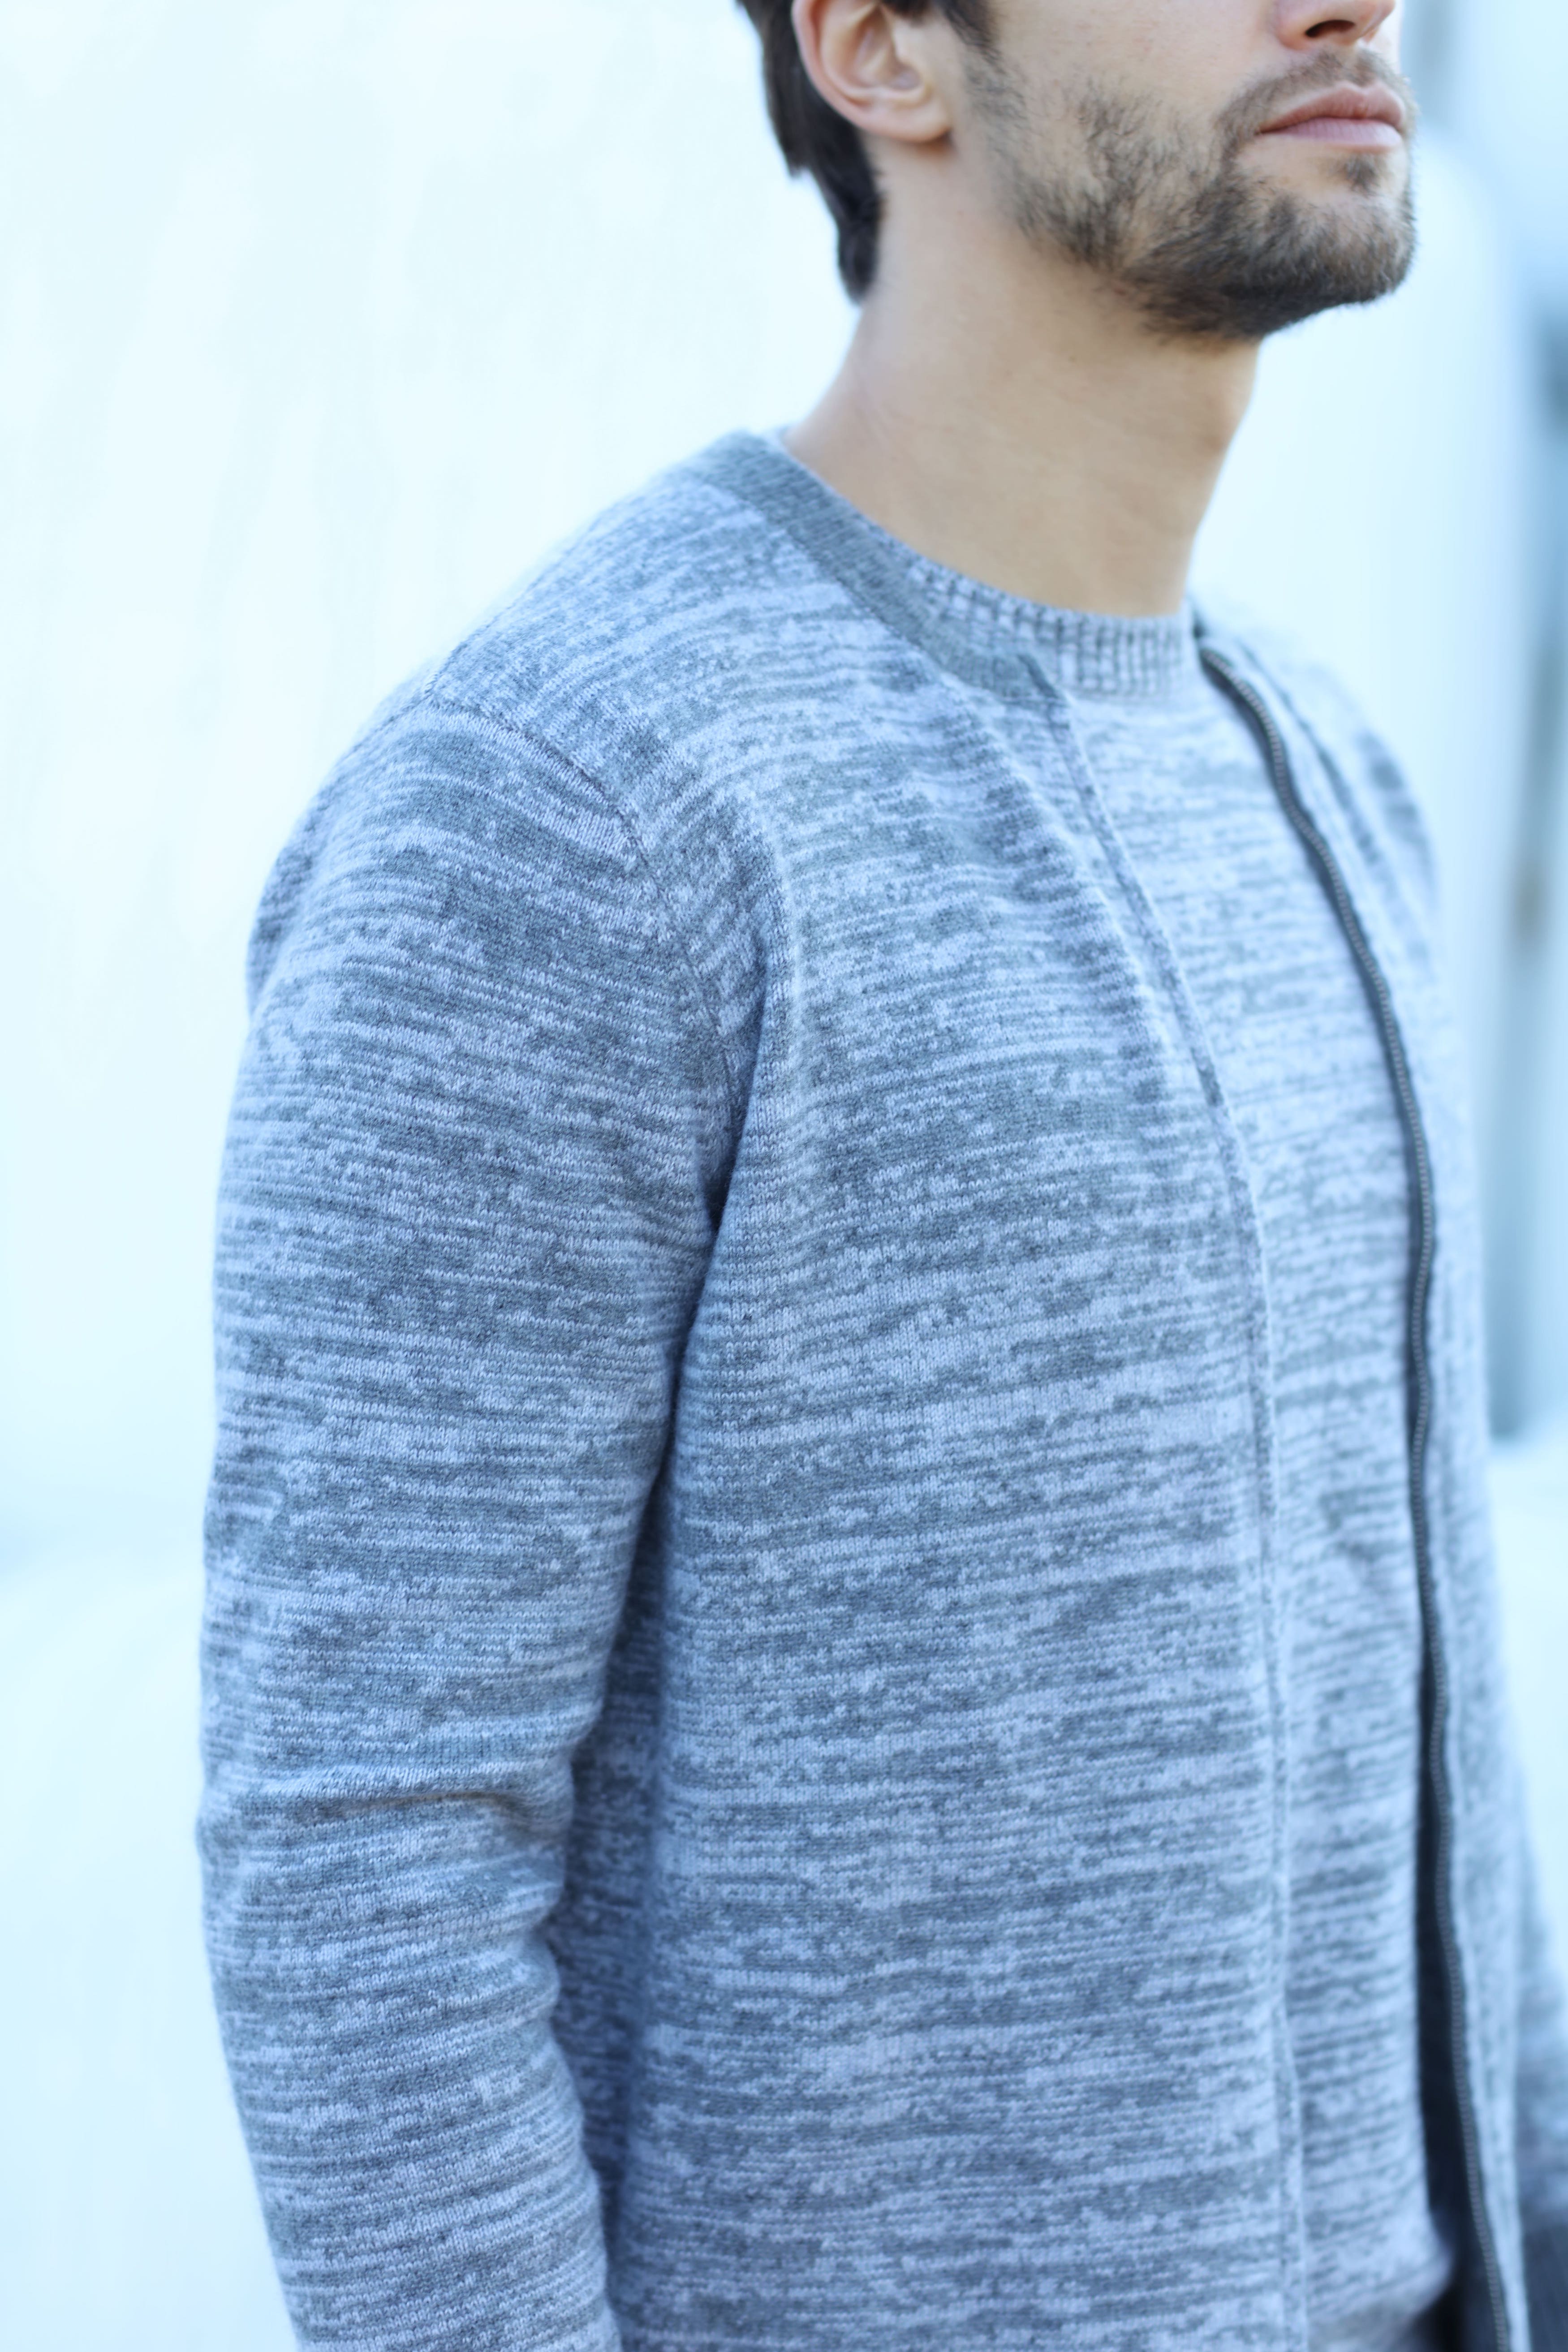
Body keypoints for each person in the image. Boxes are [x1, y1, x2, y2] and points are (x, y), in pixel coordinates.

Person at [198, 1, 1568, 2346]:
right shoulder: (567, 806)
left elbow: (1446, 1760)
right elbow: (365, 1851)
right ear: (881, 50)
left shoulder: (1327, 774)